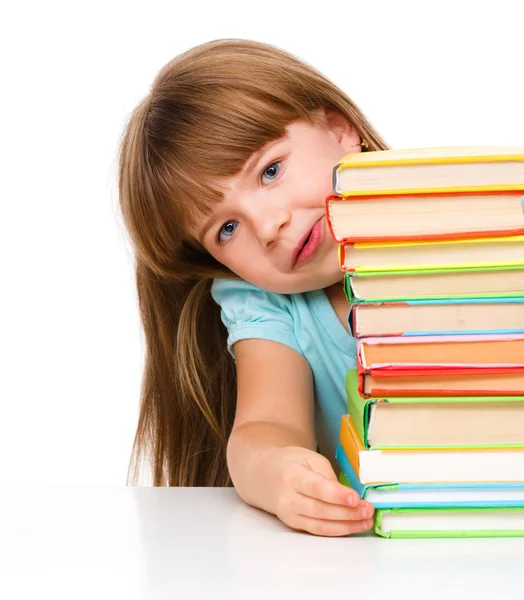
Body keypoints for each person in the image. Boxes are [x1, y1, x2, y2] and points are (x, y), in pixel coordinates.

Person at [118, 38, 389, 537]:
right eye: (226, 229)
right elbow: (265, 428)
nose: (267, 226)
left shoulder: (450, 223)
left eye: (270, 171)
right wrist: (277, 471)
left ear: (339, 130)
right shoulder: (267, 303)